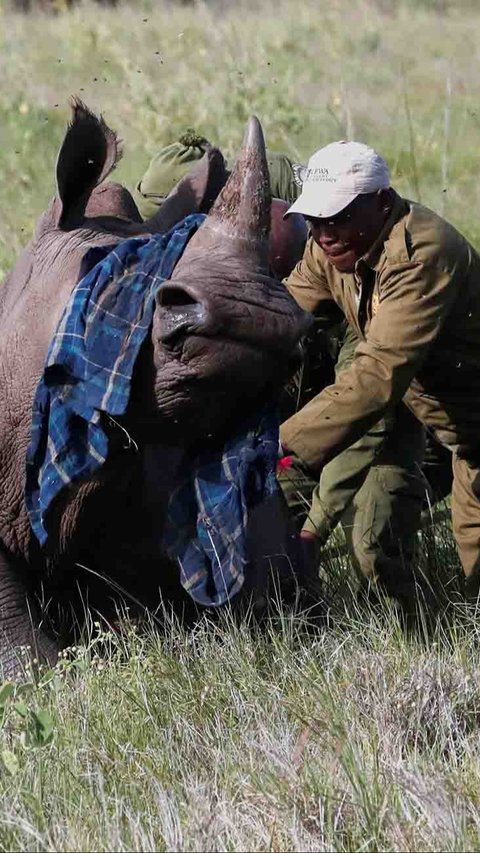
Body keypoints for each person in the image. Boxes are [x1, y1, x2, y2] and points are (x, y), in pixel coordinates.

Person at [279, 139, 480, 600]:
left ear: (382, 203)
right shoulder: (331, 248)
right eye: (314, 219)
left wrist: (282, 443)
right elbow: (284, 317)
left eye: (338, 217)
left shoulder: (421, 256)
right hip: (448, 430)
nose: (323, 233)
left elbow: (376, 376)